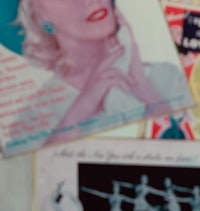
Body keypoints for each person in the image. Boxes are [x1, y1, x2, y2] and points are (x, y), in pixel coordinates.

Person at [13, 0, 189, 147]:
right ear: (40, 17)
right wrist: (81, 109)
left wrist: (145, 90)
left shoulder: (168, 79)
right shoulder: (32, 120)